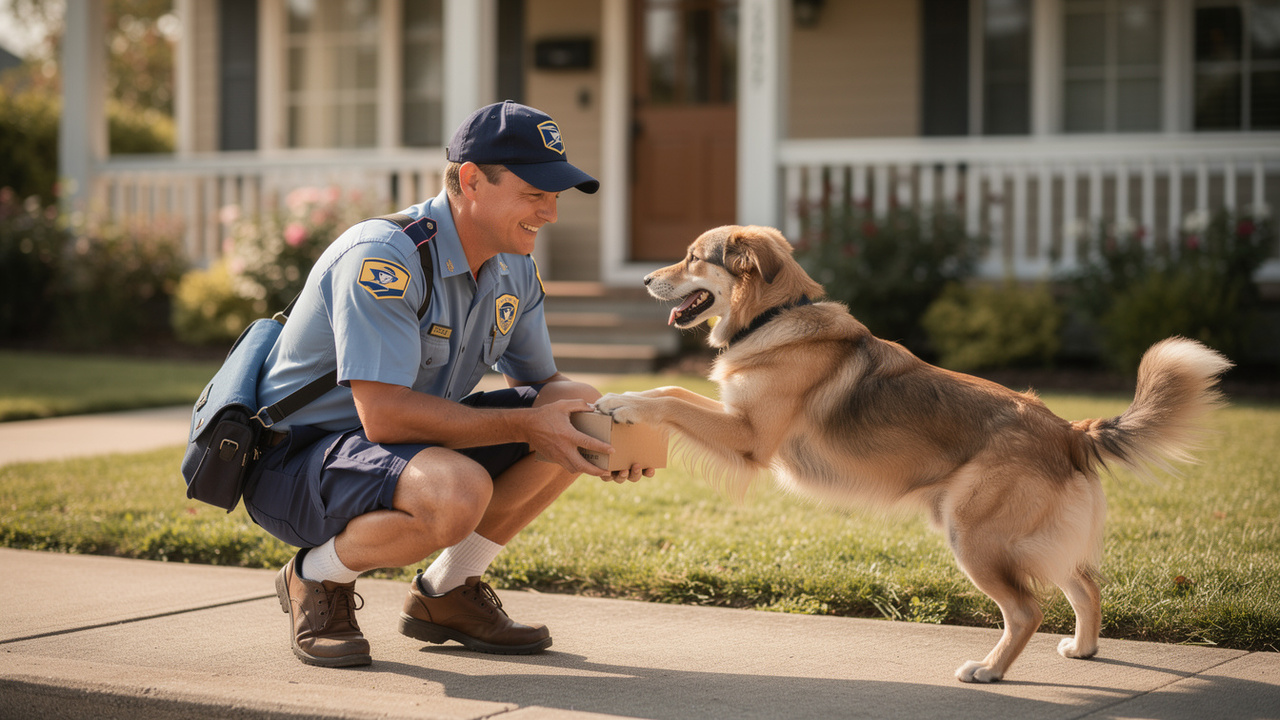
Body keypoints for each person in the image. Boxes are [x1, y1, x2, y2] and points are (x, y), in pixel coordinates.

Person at [246, 100, 654, 668]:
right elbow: (384, 417)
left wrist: (610, 433)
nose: (551, 213)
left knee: (579, 406)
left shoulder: (514, 268)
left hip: (395, 454)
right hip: (297, 463)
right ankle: (313, 577)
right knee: (456, 488)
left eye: (554, 195)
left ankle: (447, 592)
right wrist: (530, 425)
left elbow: (544, 389)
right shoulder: (384, 257)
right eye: (535, 193)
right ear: (471, 181)